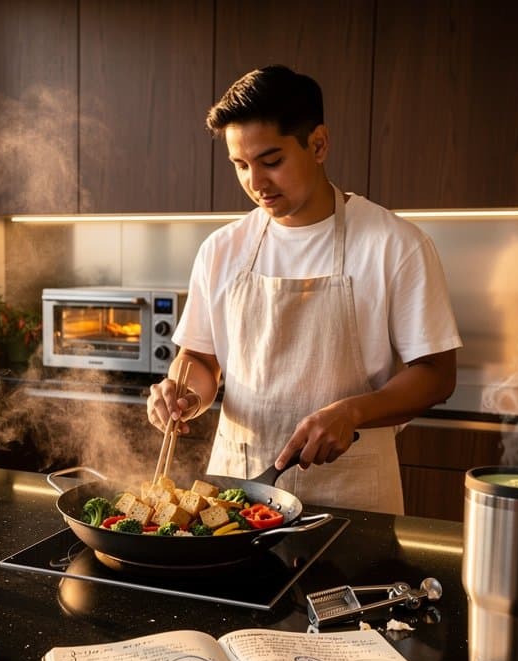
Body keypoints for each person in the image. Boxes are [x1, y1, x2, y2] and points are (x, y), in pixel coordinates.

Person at [146, 65, 462, 514]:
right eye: (241, 165)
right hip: (238, 493)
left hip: (351, 497)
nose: (256, 183)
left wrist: (351, 412)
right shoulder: (221, 249)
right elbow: (200, 359)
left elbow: (436, 374)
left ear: (318, 144)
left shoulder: (395, 244)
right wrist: (185, 394)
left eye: (271, 161)